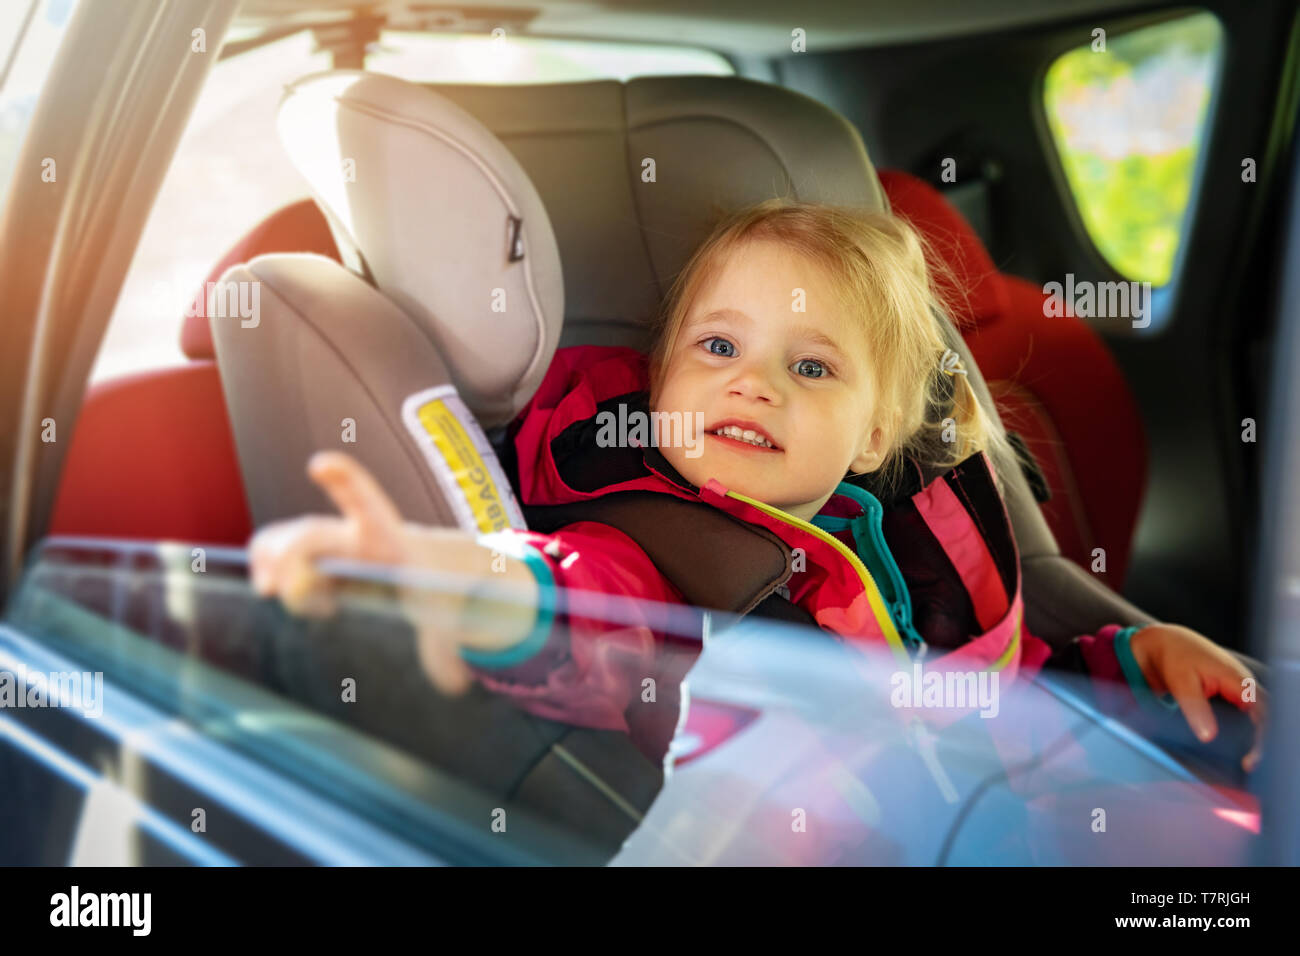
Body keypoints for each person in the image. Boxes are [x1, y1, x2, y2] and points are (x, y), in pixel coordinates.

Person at [248, 199, 1265, 772]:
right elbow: (586, 616)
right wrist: (457, 577)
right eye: (719, 345)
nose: (752, 380)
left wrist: (1135, 660)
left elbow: (1017, 681)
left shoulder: (914, 539)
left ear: (872, 435)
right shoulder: (651, 542)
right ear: (658, 387)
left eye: (810, 366)